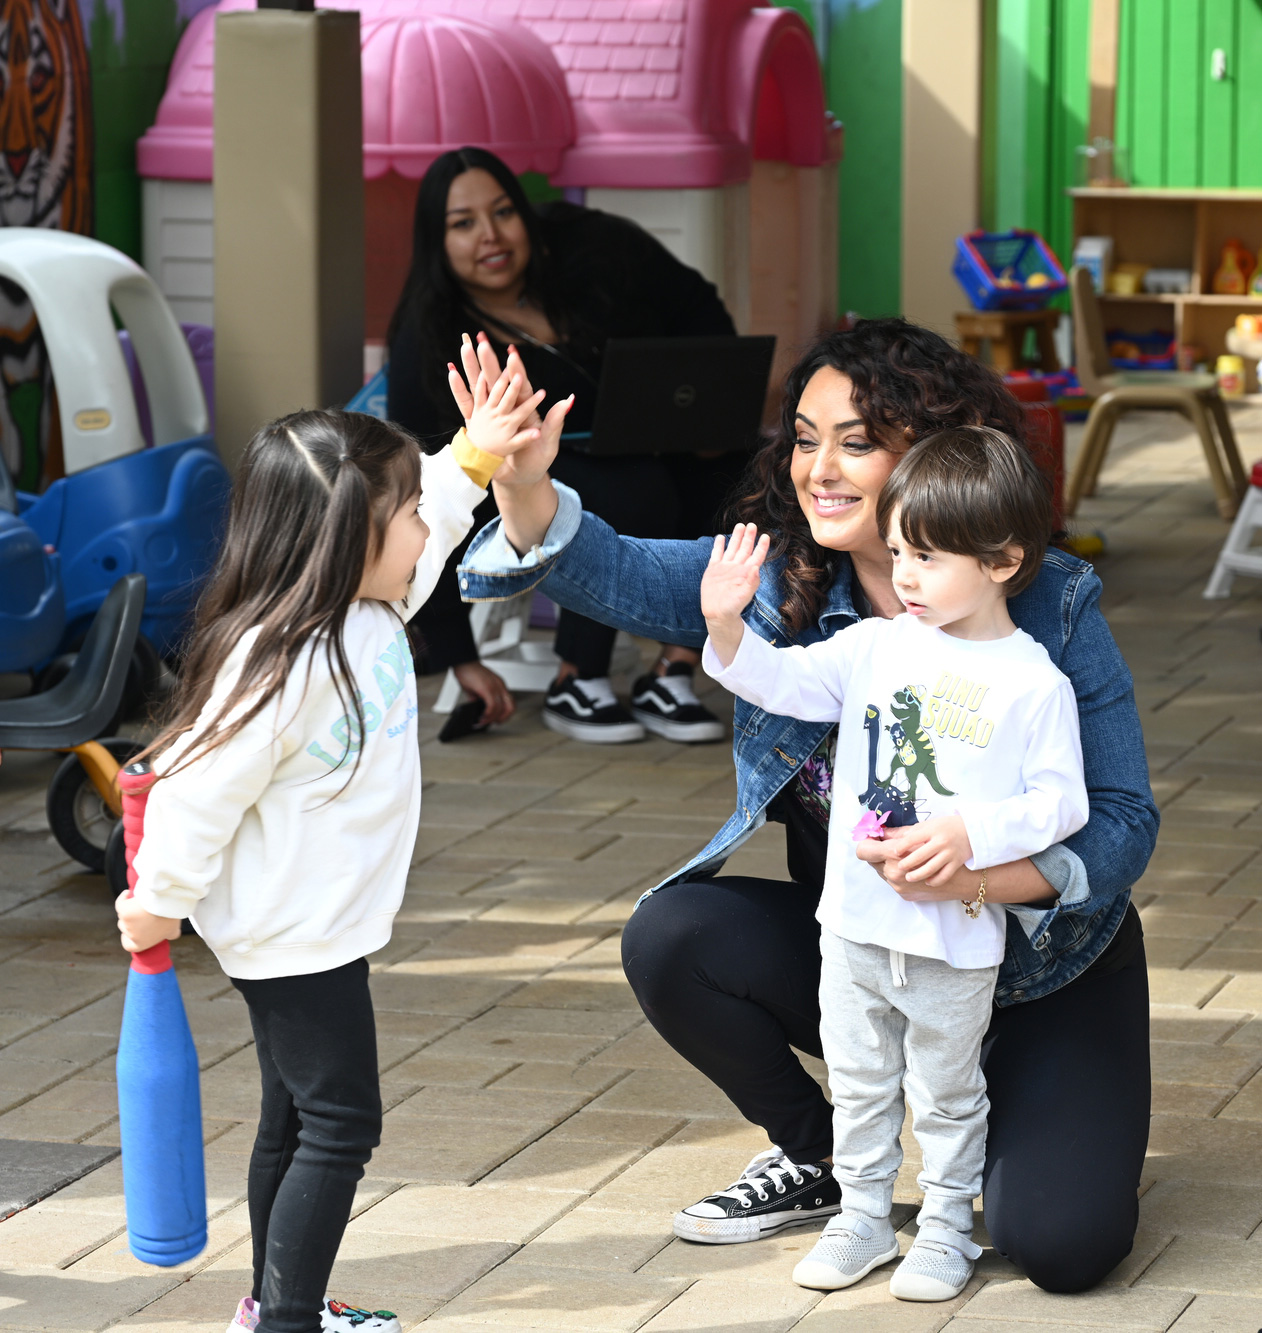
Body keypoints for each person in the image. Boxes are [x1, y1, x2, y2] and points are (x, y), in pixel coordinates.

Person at [451, 320, 1159, 1295]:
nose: (817, 469)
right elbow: (610, 569)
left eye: (854, 442)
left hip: (1040, 971)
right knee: (675, 931)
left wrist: (979, 874)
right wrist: (522, 478)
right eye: (802, 437)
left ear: (931, 455)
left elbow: (1122, 820)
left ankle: (1007, 1124)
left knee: (1060, 1244)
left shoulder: (1048, 602)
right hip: (869, 948)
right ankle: (817, 1156)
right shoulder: (778, 586)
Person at [113, 369, 564, 1333]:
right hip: (293, 934)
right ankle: (287, 1322)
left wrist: (474, 456)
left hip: (319, 922)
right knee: (343, 1120)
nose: (422, 530)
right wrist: (158, 900)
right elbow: (194, 793)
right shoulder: (278, 658)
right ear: (344, 537)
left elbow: (438, 513)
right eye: (399, 515)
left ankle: (279, 1303)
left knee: (294, 1114)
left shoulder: (369, 613)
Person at [699, 428, 1089, 1301]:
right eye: (901, 550)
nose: (905, 575)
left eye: (930, 557)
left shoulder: (1035, 683)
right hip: (854, 923)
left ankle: (948, 1226)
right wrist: (727, 623)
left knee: (948, 1091)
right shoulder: (877, 646)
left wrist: (969, 835)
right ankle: (863, 1217)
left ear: (1004, 560)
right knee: (861, 1079)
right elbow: (783, 683)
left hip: (953, 935)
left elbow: (1063, 804)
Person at [387, 145, 745, 744]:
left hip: (648, 439)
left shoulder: (592, 246)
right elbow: (421, 491)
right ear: (435, 241)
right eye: (463, 224)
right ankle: (577, 676)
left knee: (736, 473)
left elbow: (694, 301)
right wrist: (459, 657)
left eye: (503, 212)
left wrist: (711, 408)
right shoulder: (426, 337)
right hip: (513, 481)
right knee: (628, 489)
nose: (490, 236)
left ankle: (676, 666)